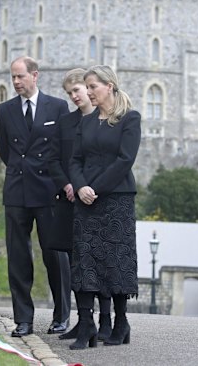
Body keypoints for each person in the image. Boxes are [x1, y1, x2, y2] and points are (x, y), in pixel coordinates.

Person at [0, 56, 71, 337]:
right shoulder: (5, 111)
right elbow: (5, 150)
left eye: (20, 77)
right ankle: (23, 319)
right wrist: (20, 170)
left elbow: (64, 149)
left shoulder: (58, 107)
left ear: (34, 75)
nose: (15, 82)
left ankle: (62, 316)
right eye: (12, 77)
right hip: (17, 189)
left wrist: (61, 184)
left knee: (55, 255)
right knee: (18, 257)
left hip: (49, 191)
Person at [67, 65, 141, 350]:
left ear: (109, 86)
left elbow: (125, 160)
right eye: (86, 87)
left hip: (116, 199)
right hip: (86, 200)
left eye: (92, 86)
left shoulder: (129, 119)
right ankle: (87, 323)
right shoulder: (86, 122)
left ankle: (121, 323)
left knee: (115, 259)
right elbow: (74, 160)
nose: (88, 92)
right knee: (85, 259)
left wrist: (94, 189)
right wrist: (81, 186)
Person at [48, 68, 112, 342]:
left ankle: (106, 320)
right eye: (69, 92)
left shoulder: (107, 120)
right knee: (76, 262)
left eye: (77, 90)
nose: (74, 96)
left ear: (89, 88)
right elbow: (53, 160)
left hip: (98, 198)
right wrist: (68, 185)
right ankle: (83, 320)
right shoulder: (65, 123)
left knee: (102, 260)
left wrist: (90, 187)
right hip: (71, 200)